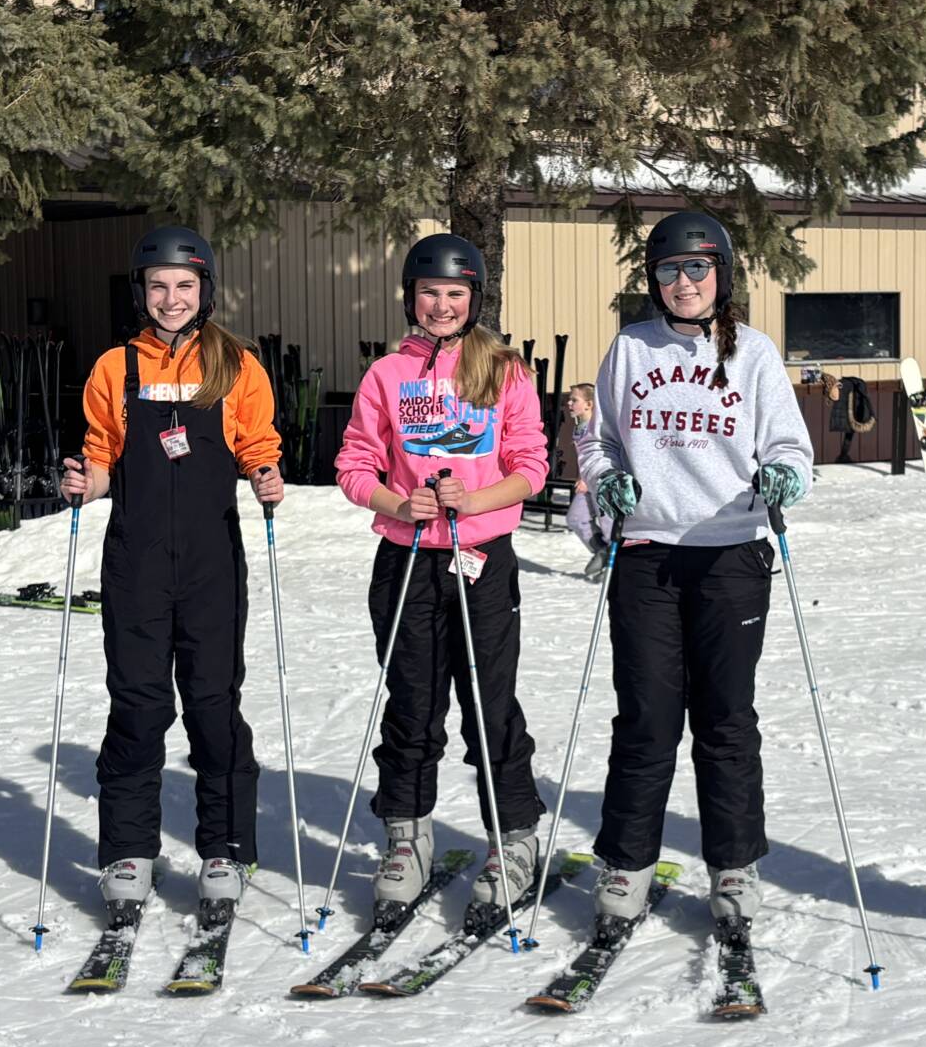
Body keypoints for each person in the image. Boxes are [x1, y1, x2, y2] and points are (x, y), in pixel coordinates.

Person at [576, 211, 814, 937]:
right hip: (647, 553)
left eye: (697, 269)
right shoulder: (630, 350)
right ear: (654, 280)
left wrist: (783, 476)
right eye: (670, 271)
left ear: (724, 275)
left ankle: (734, 865)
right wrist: (605, 478)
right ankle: (627, 863)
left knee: (725, 718)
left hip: (733, 551)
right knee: (646, 718)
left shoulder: (755, 354)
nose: (683, 283)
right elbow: (600, 441)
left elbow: (791, 446)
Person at [58, 225, 283, 915]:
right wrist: (83, 483)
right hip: (137, 560)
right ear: (141, 292)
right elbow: (102, 457)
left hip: (212, 561)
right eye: (158, 286)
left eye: (185, 286)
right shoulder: (114, 368)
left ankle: (226, 848)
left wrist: (267, 476)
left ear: (204, 291)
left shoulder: (236, 364)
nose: (171, 297)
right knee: (138, 702)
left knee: (214, 704)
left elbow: (257, 444)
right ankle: (129, 849)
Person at [334, 233, 550, 913]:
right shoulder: (385, 377)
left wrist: (473, 499)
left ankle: (512, 834)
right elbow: (353, 466)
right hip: (406, 559)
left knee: (489, 704)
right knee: (413, 703)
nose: (442, 305)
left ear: (474, 299)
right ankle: (407, 834)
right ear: (411, 297)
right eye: (430, 293)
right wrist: (399, 503)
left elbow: (532, 467)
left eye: (456, 294)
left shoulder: (503, 370)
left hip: (481, 557)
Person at [562, 383, 613, 581]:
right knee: (576, 518)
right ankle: (604, 553)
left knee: (609, 526)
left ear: (589, 404)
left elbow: (603, 455)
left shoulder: (599, 427)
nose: (569, 403)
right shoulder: (578, 428)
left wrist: (587, 477)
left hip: (602, 483)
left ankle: (613, 569)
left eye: (574, 400)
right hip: (586, 483)